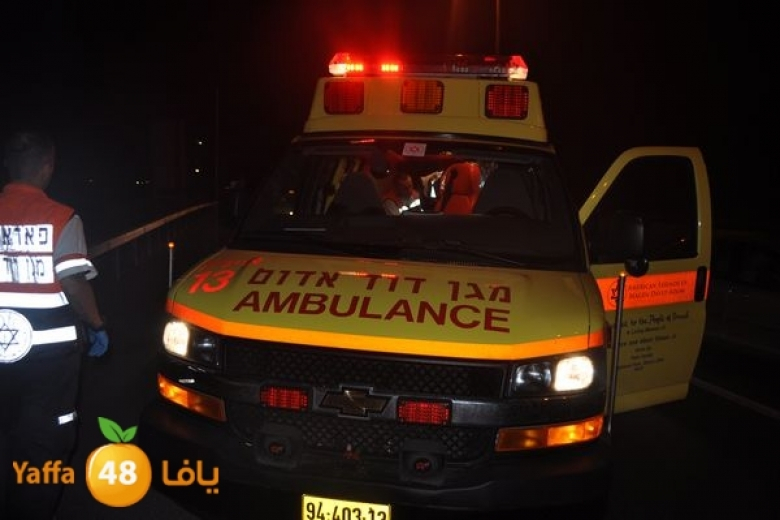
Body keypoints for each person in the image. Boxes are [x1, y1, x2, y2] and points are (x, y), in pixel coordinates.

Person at [0, 131, 109, 519]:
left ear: (8, 166)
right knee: (45, 444)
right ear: (48, 167)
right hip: (48, 364)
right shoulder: (61, 218)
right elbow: (74, 282)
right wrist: (97, 324)